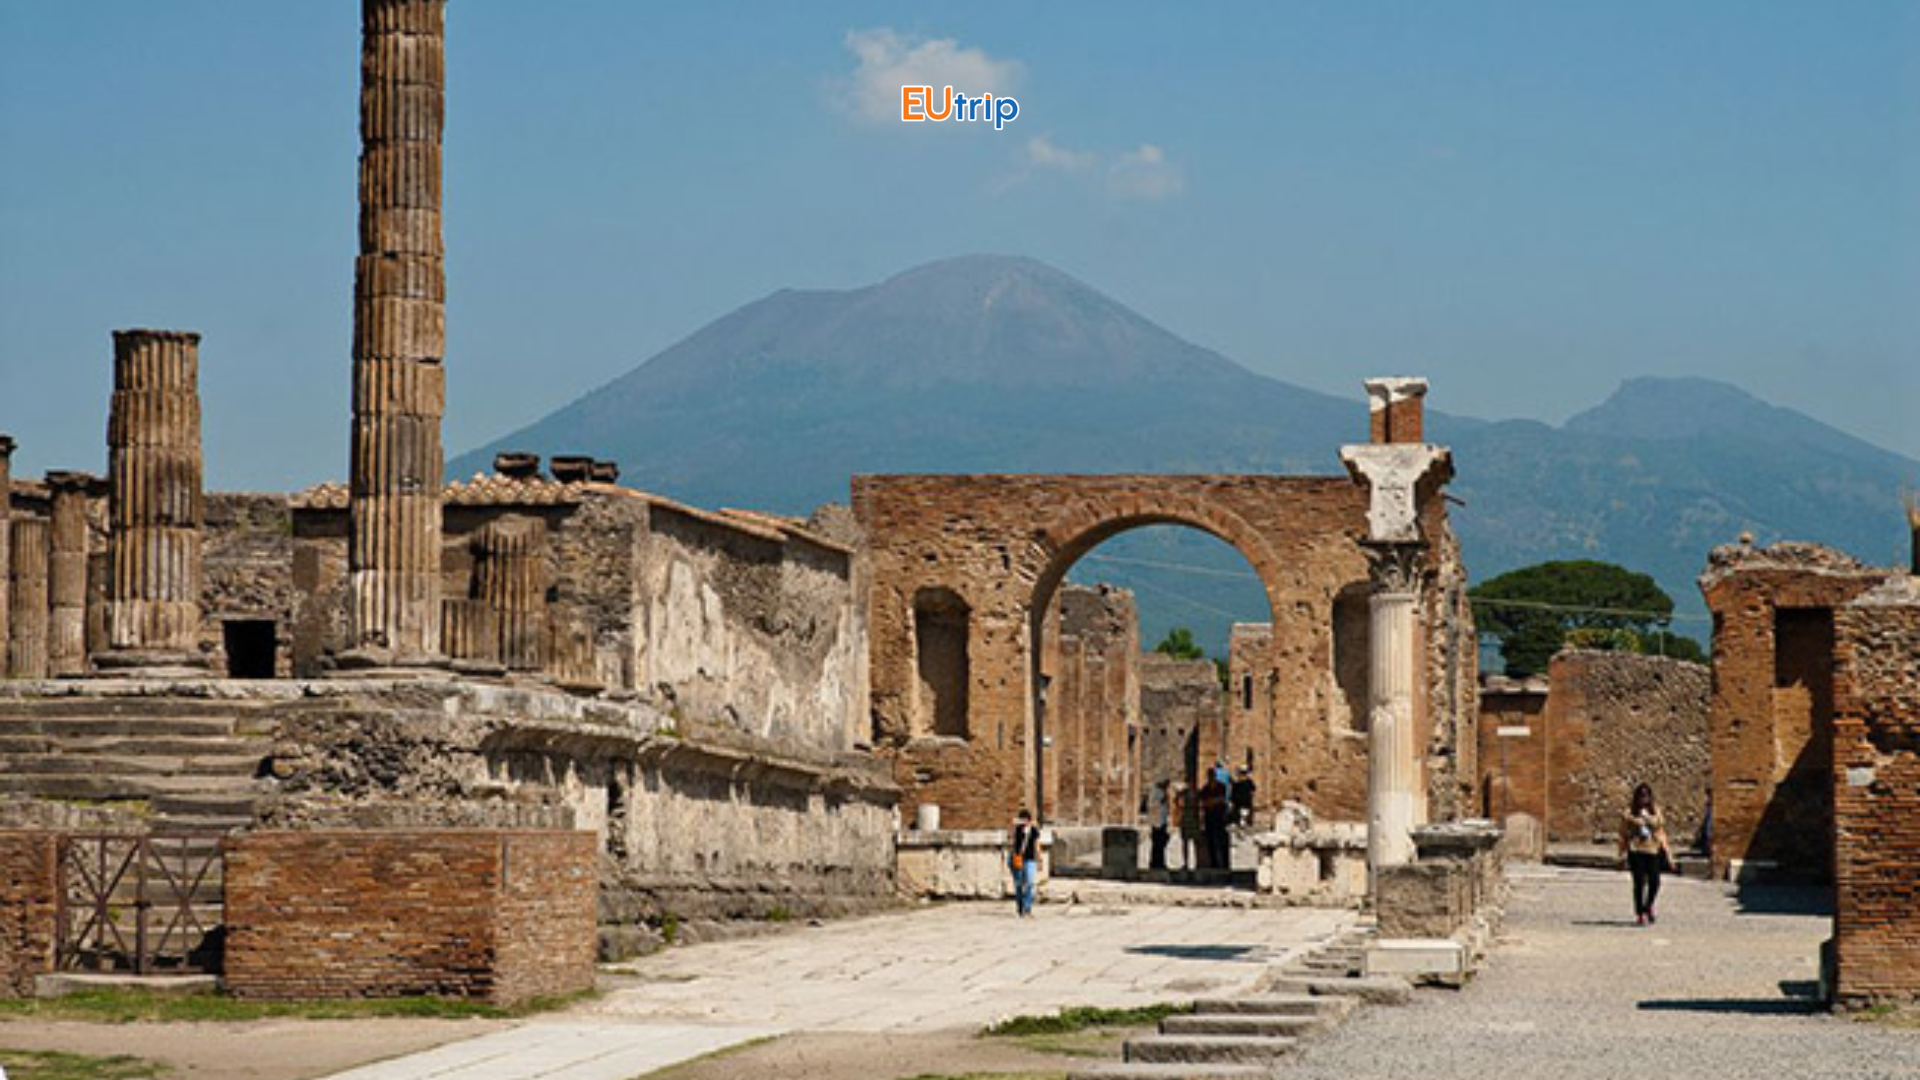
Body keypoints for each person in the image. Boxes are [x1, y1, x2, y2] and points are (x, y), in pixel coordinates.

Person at [1617, 782, 1672, 925]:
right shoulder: (1628, 813)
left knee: (1655, 882)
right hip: (1636, 850)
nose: (1644, 799)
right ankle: (1640, 912)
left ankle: (1648, 905)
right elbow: (1623, 833)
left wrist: (1647, 819)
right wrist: (1621, 853)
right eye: (1641, 796)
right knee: (1639, 883)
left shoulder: (1655, 812)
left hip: (1653, 849)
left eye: (1647, 796)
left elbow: (1660, 825)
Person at [1009, 808, 1041, 918]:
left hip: (1030, 859)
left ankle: (1027, 908)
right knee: (1019, 885)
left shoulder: (1034, 830)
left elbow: (1037, 845)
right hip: (1018, 858)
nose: (1024, 822)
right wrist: (1014, 825)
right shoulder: (1017, 829)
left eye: (1025, 819)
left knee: (1029, 883)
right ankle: (1020, 908)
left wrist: (1039, 859)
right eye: (1022, 819)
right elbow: (1010, 838)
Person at [1200, 772, 1230, 871]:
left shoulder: (1221, 787)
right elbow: (1204, 803)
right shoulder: (1205, 789)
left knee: (1222, 841)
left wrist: (1212, 802)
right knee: (1211, 841)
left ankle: (1225, 864)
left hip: (1220, 818)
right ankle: (1214, 863)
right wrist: (1214, 801)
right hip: (1209, 818)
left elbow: (1222, 799)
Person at [1147, 779, 1171, 871]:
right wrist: (1162, 800)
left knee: (1161, 843)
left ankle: (1160, 862)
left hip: (1162, 820)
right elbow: (1152, 804)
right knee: (1157, 843)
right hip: (1156, 821)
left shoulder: (1162, 791)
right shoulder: (1155, 791)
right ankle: (1155, 863)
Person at [1176, 781, 1201, 870]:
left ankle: (1191, 863)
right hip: (1190, 818)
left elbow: (1179, 805)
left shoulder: (1186, 793)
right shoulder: (1195, 793)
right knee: (1189, 842)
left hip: (1191, 818)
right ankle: (1189, 863)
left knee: (1192, 842)